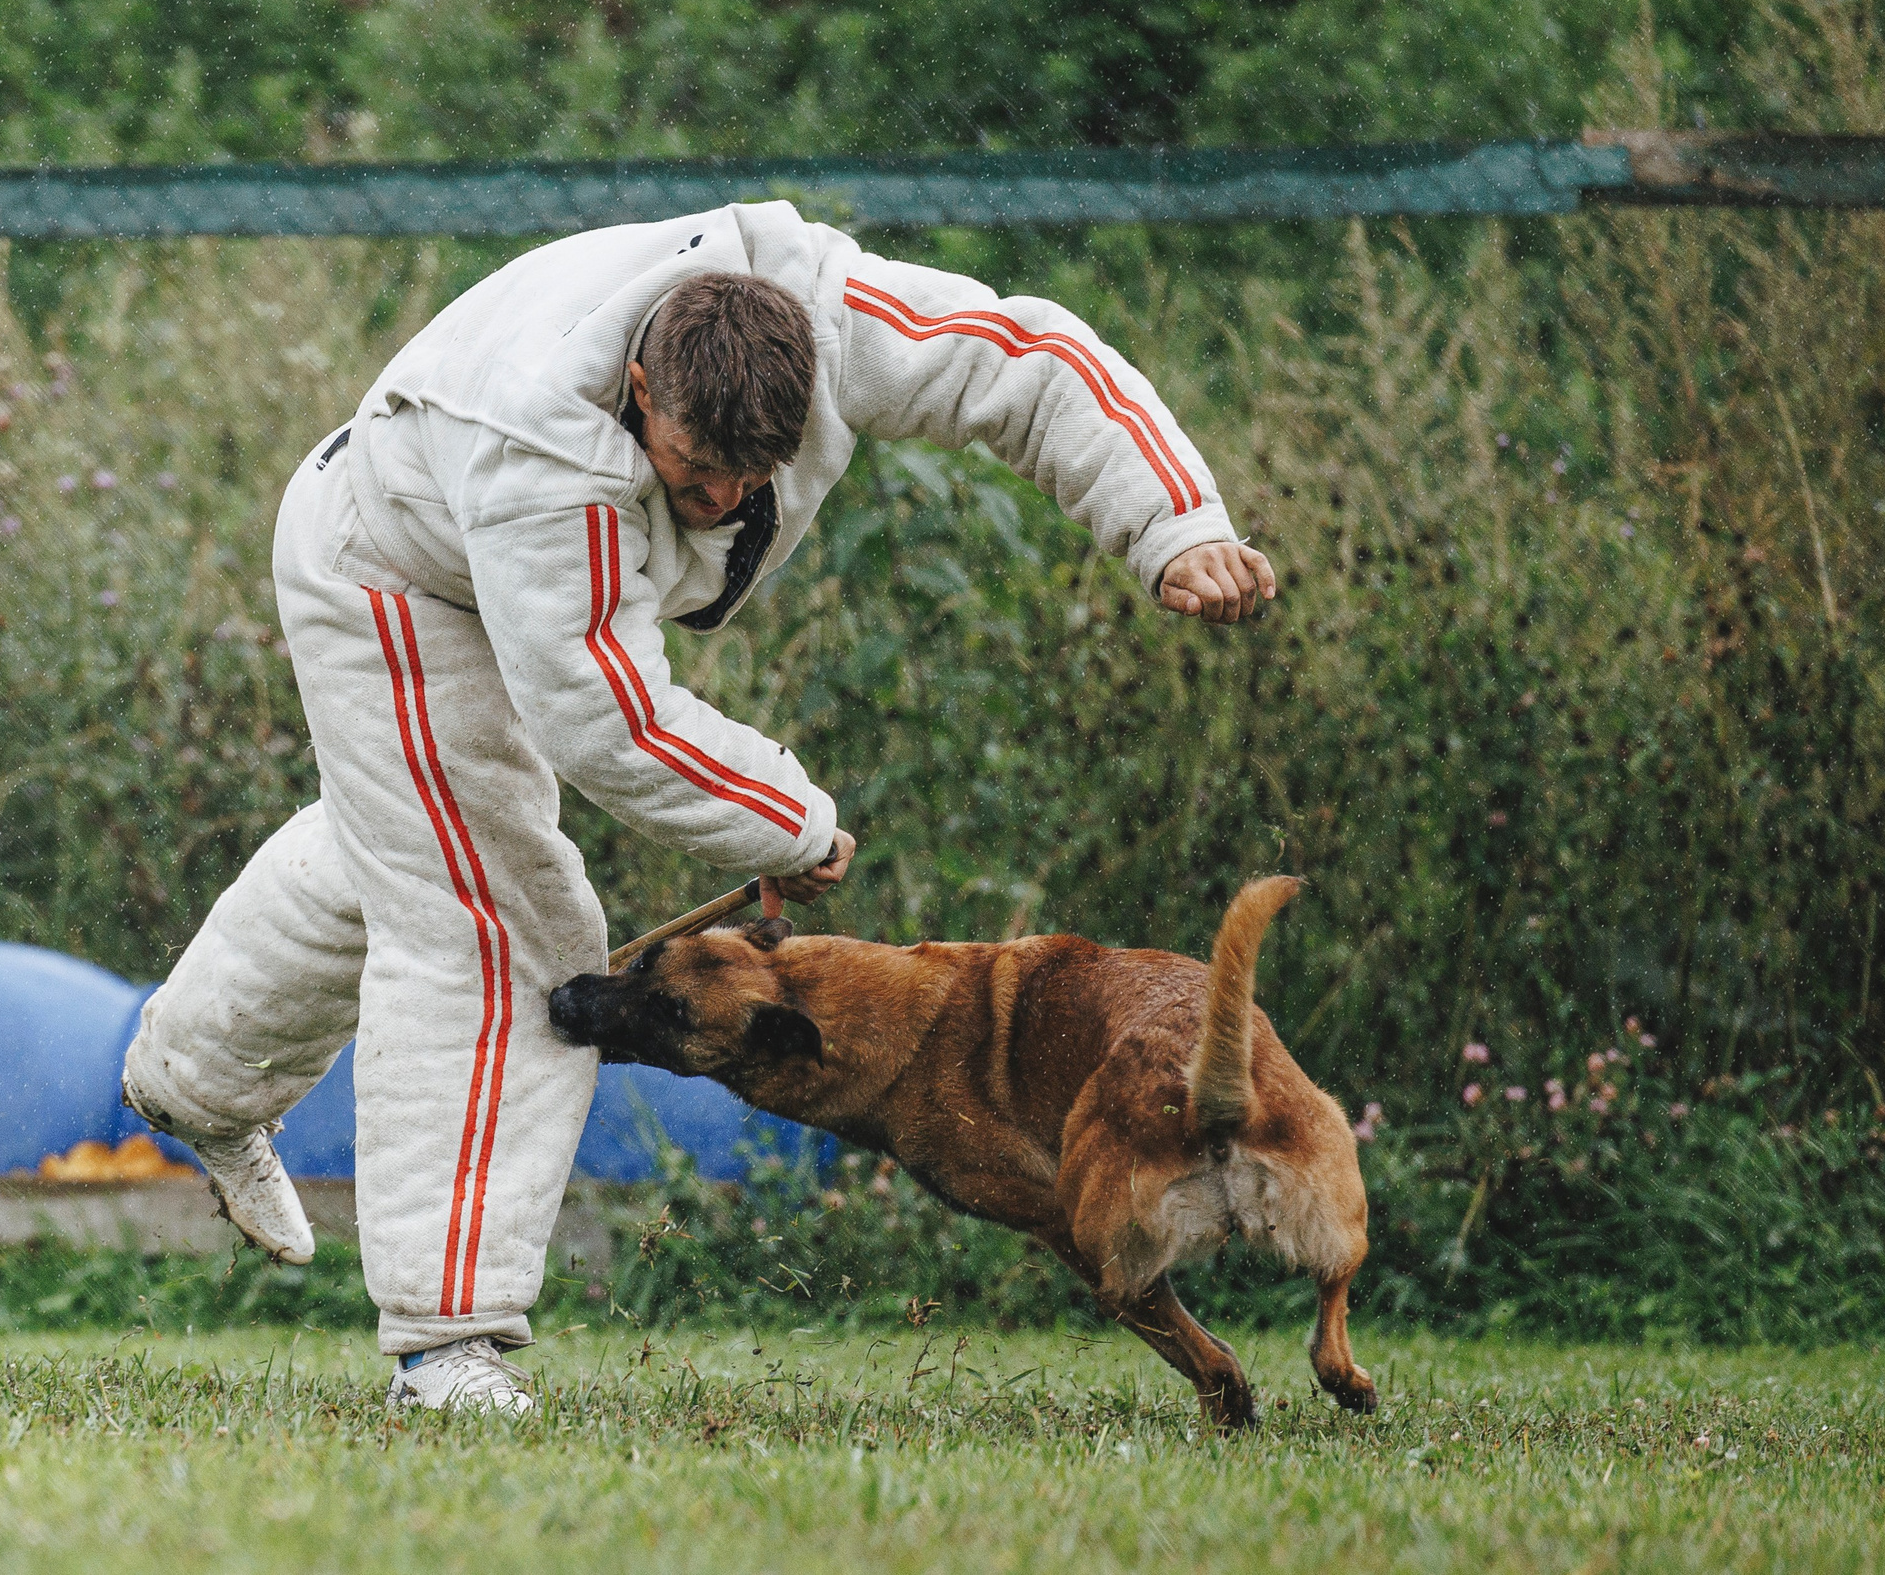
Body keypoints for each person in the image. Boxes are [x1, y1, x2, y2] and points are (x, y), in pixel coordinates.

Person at [122, 203, 1276, 1413]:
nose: (724, 500)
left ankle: (190, 1083)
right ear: (636, 390)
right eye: (693, 473)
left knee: (405, 841)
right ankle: (443, 1342)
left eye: (752, 476)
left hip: (462, 545)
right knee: (498, 918)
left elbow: (1030, 360)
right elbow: (611, 727)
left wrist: (1173, 524)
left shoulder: (830, 307)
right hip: (392, 574)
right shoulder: (546, 458)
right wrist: (789, 815)